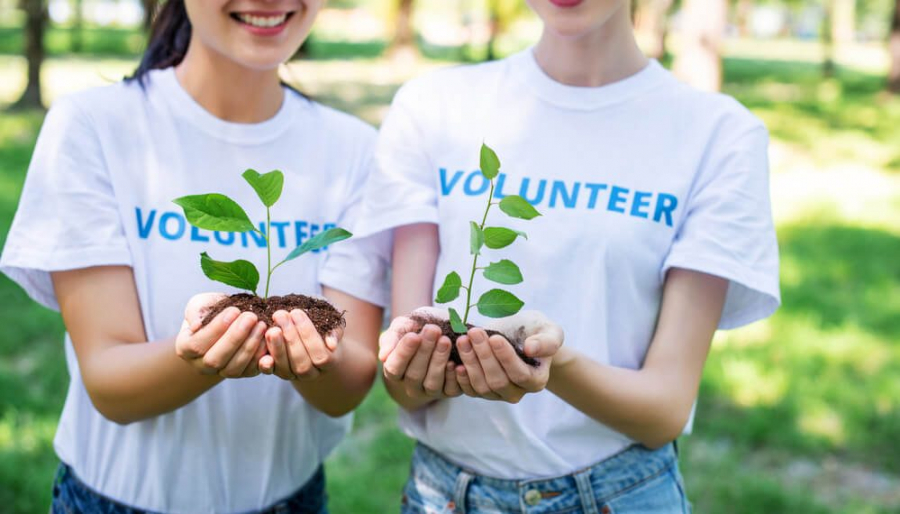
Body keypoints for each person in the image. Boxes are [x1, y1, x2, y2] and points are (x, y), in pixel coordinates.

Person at [358, 0, 780, 512]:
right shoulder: (433, 107)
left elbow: (665, 409)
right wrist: (425, 359)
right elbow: (404, 382)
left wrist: (549, 363)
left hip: (621, 495)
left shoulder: (719, 135)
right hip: (444, 496)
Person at [0, 1, 389, 512]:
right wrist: (203, 357)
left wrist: (312, 357)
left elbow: (350, 384)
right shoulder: (94, 126)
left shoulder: (355, 149)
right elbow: (108, 380)